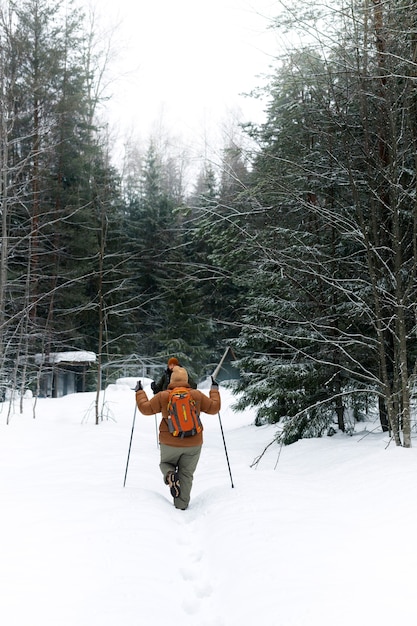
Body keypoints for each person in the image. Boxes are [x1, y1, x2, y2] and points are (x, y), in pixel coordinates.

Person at [135, 365, 220, 510]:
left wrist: (139, 392)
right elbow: (214, 408)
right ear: (187, 379)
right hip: (193, 442)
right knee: (186, 474)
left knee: (165, 464)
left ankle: (169, 476)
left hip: (169, 442)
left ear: (171, 380)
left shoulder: (164, 396)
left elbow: (145, 409)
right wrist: (214, 390)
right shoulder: (196, 395)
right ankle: (181, 505)